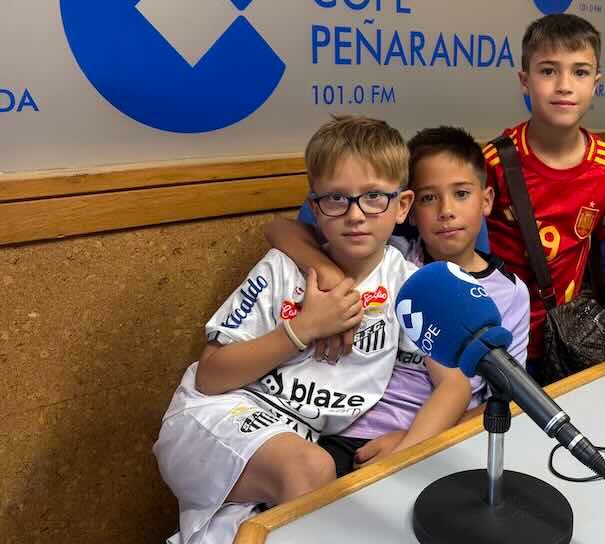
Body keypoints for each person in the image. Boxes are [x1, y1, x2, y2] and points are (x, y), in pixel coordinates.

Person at [154, 115, 428, 544]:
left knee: (250, 532)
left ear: (403, 205)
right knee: (312, 470)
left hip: (296, 439)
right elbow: (209, 376)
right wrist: (303, 329)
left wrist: (411, 440)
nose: (355, 215)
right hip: (215, 417)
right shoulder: (283, 268)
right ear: (315, 206)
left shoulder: (408, 286)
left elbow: (452, 383)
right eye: (336, 198)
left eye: (374, 197)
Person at [263, 125, 530, 472]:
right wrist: (330, 273)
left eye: (461, 194)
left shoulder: (510, 293)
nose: (446, 211)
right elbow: (278, 229)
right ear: (409, 208)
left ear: (486, 200)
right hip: (338, 427)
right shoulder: (389, 255)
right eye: (428, 198)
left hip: (434, 439)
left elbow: (505, 399)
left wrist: (410, 441)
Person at [482, 13, 605, 380]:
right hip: (501, 337)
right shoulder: (494, 162)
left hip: (569, 335)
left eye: (580, 72)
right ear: (525, 82)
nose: (564, 85)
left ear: (596, 83)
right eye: (548, 71)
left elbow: (601, 248)